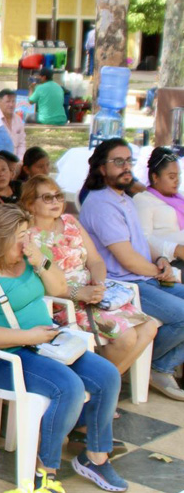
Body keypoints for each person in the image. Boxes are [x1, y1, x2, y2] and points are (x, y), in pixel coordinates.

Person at [0, 205, 127, 493]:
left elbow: (60, 289)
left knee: (107, 376)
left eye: (26, 233)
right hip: (4, 358)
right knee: (68, 387)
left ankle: (96, 456)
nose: (27, 240)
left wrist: (41, 261)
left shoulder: (29, 258)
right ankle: (44, 472)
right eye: (20, 235)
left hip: (46, 345)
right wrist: (29, 337)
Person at [79, 139, 184, 400]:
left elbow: (141, 243)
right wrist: (159, 271)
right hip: (126, 285)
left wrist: (161, 259)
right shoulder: (102, 204)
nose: (126, 167)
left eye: (128, 161)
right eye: (118, 162)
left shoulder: (124, 198)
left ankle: (157, 365)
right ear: (102, 168)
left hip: (145, 278)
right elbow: (127, 259)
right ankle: (156, 366)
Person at [23, 175, 158, 375]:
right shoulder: (28, 235)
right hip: (63, 302)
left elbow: (95, 261)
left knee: (150, 327)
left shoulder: (71, 222)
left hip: (94, 296)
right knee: (127, 337)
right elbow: (35, 282)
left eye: (58, 196)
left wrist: (99, 283)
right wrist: (79, 292)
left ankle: (103, 384)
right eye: (47, 198)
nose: (56, 202)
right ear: (30, 204)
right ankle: (102, 383)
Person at [133, 146, 184, 269]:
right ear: (155, 177)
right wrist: (175, 249)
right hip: (169, 262)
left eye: (178, 176)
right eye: (171, 177)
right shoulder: (143, 200)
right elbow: (143, 239)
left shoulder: (181, 196)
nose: (177, 181)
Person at [0, 89, 26, 156]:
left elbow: (21, 143)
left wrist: (20, 159)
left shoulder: (18, 119)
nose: (11, 105)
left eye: (13, 101)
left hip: (16, 159)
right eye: (8, 101)